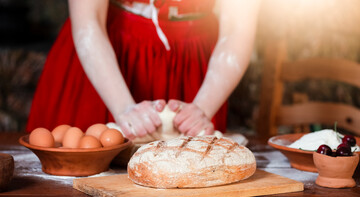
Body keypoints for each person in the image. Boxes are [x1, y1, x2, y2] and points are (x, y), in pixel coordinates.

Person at [26, 0, 261, 140]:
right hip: (103, 61)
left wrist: (201, 109)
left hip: (197, 72)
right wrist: (124, 108)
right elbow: (89, 20)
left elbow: (237, 28)